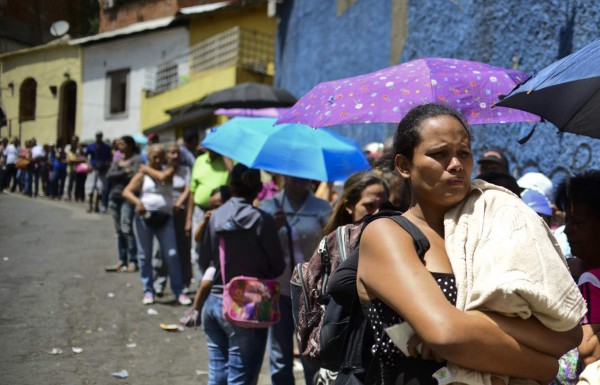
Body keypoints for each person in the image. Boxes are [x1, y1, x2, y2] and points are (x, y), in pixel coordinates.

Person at [357, 103, 583, 385]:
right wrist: (546, 369)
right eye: (439, 154)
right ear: (404, 165)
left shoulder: (490, 231)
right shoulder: (387, 234)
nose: (456, 165)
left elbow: (566, 332)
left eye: (463, 153)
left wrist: (466, 325)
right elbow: (446, 334)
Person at [199, 163, 285, 385]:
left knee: (217, 375)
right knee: (241, 378)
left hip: (214, 303)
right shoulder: (262, 220)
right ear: (258, 188)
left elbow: (204, 261)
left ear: (230, 185)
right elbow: (277, 268)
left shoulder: (215, 216)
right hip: (247, 306)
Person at [259, 175, 332, 385]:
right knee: (279, 355)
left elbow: (331, 241)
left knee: (311, 353)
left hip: (311, 293)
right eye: (294, 180)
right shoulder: (269, 206)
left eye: (304, 180)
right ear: (284, 179)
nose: (299, 184)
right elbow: (257, 243)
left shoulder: (321, 207)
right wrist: (270, 226)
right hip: (276, 290)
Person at [122, 144, 191, 306]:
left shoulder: (170, 170)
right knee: (145, 256)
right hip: (144, 218)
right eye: (154, 157)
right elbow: (127, 192)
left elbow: (163, 177)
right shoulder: (141, 175)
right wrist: (138, 202)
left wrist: (145, 169)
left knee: (172, 254)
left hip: (165, 218)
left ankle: (179, 291)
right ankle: (148, 290)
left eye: (161, 156)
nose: (158, 160)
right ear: (149, 157)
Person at [555, 171, 600, 369]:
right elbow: (589, 352)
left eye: (578, 223)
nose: (567, 230)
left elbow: (589, 352)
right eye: (567, 221)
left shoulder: (591, 279)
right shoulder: (581, 275)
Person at [148, 144, 193, 295]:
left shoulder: (185, 170)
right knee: (160, 250)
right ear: (166, 155)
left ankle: (184, 282)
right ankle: (159, 282)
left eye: (177, 153)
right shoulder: (161, 170)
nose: (175, 156)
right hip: (163, 214)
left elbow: (189, 189)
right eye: (172, 153)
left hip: (180, 213)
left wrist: (180, 202)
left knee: (182, 249)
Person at [187, 149, 232, 280]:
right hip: (200, 210)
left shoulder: (228, 159)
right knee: (198, 251)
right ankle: (201, 281)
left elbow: (234, 175)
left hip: (225, 211)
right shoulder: (199, 160)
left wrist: (227, 160)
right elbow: (192, 190)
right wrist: (191, 219)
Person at [104, 136, 142, 273]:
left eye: (123, 144)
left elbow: (135, 177)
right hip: (114, 197)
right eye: (119, 144)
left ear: (130, 145)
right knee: (119, 230)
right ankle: (122, 260)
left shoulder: (136, 159)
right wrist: (123, 172)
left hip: (128, 198)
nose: (120, 147)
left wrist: (120, 174)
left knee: (126, 228)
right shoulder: (118, 160)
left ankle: (133, 260)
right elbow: (109, 175)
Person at [323, 171, 389, 235]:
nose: (378, 212)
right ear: (349, 206)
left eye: (384, 206)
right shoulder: (333, 244)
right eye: (369, 205)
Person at [85, 131, 112, 213]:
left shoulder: (106, 147)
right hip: (93, 168)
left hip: (103, 170)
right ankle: (90, 206)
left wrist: (107, 165)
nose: (98, 137)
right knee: (91, 188)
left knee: (100, 188)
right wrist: (89, 165)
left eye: (100, 136)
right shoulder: (91, 146)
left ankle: (96, 205)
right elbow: (86, 157)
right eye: (97, 136)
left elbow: (109, 159)